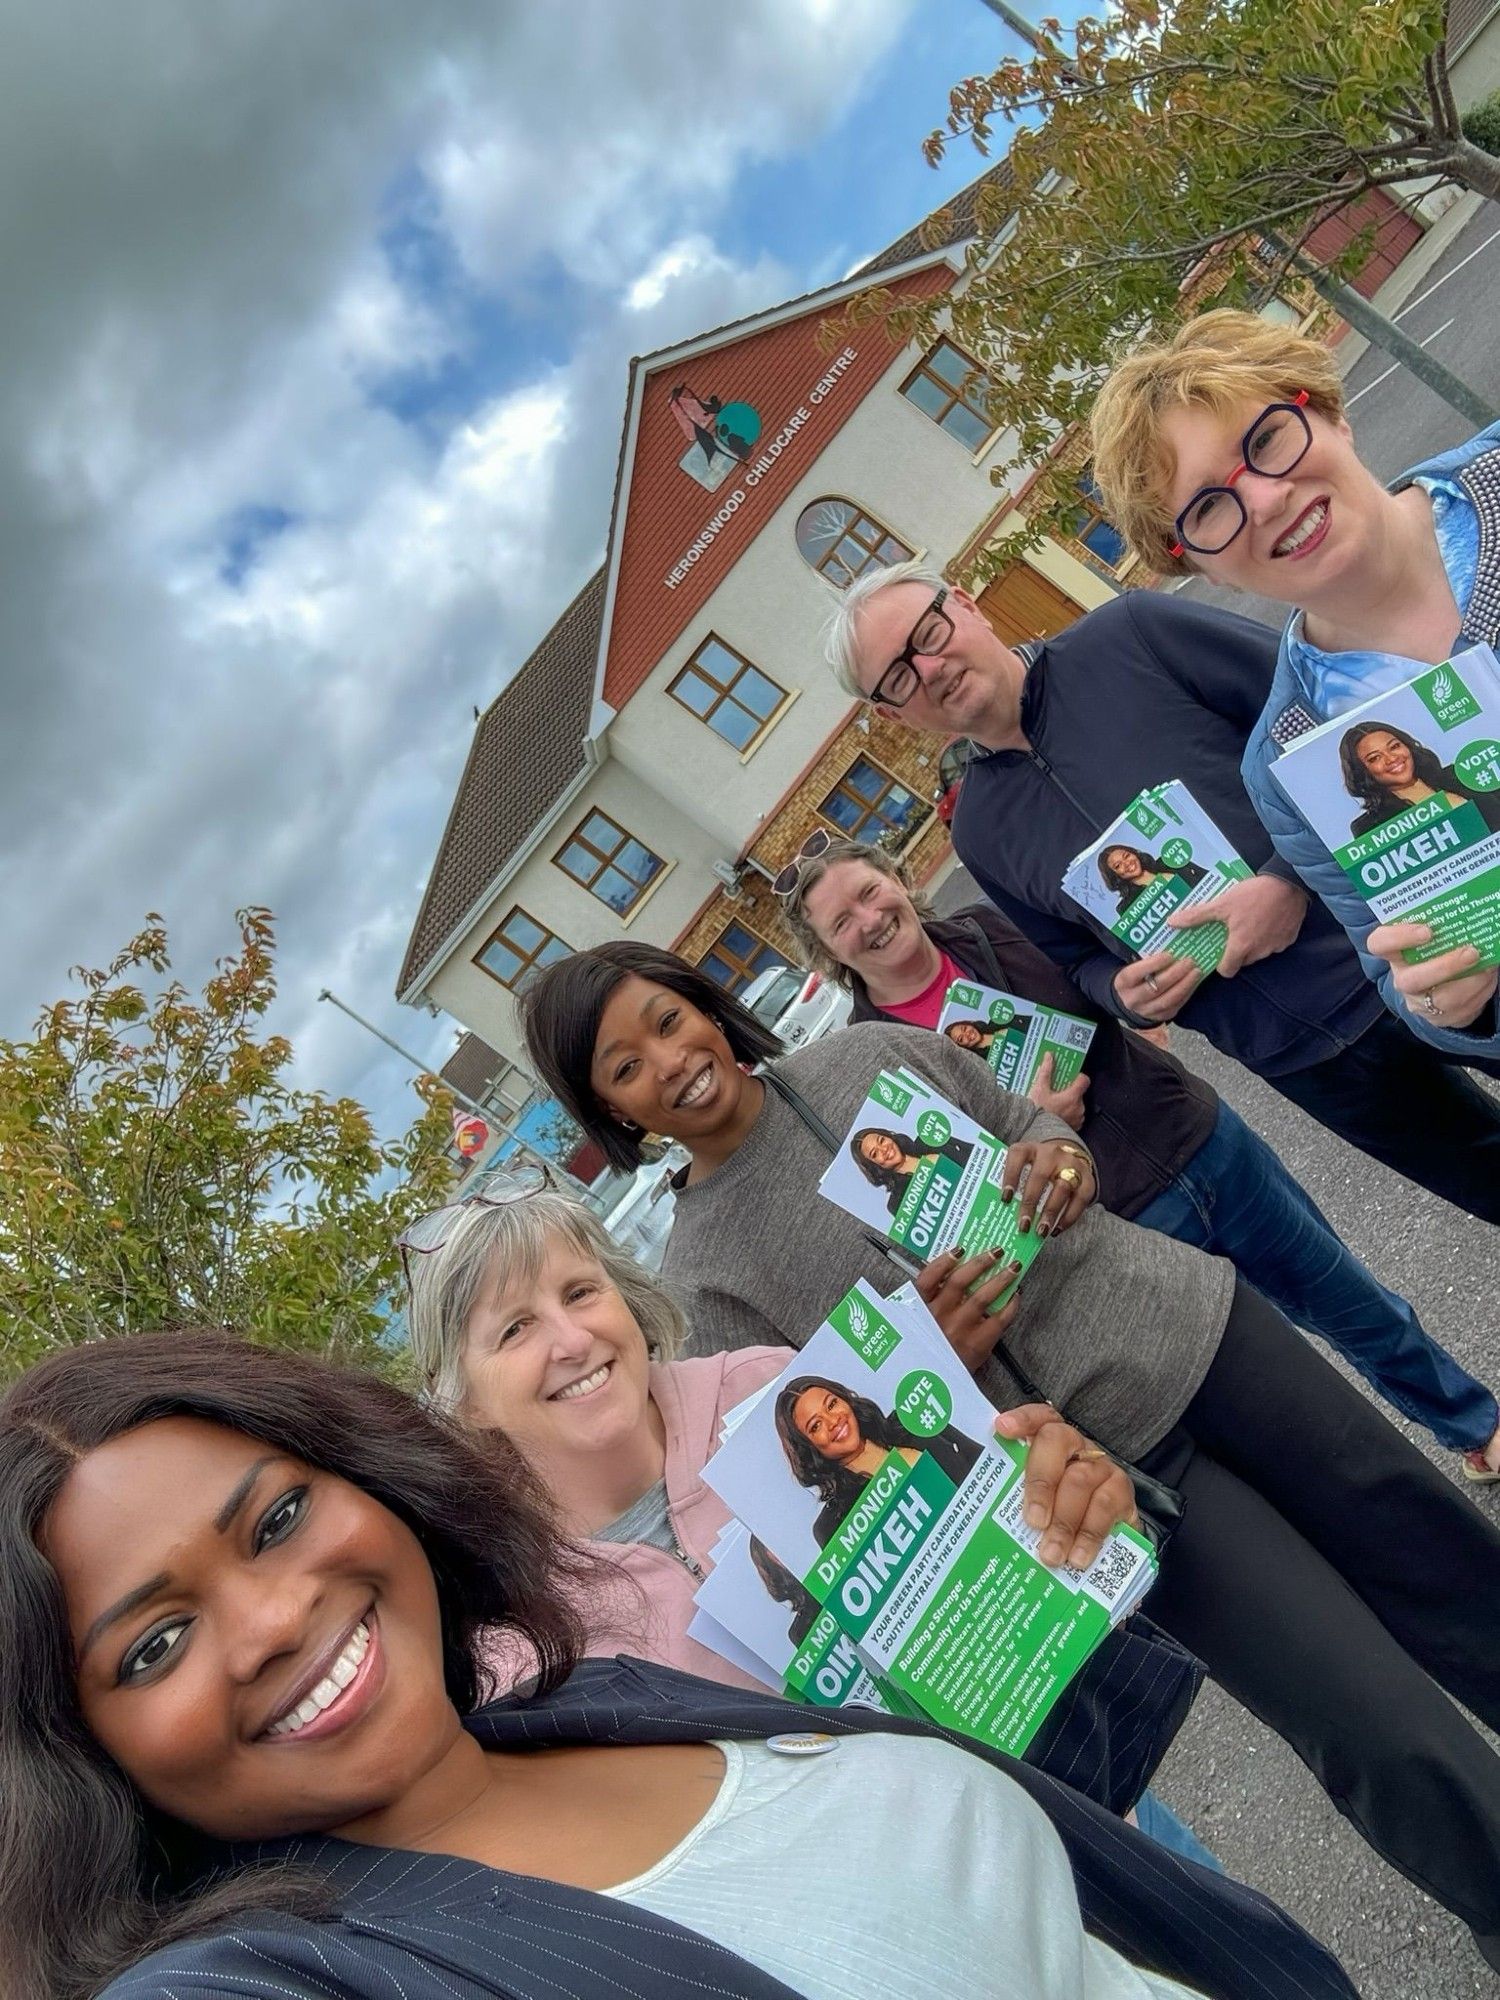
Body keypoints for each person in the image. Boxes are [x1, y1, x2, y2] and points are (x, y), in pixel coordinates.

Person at [520, 937, 1500, 1959]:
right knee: (1375, 1725)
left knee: (1442, 1557)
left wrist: (1058, 1158)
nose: (668, 1058)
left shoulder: (866, 1058)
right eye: (625, 1065)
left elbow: (1026, 1127)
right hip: (1103, 1485)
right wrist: (922, 1365)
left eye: (667, 1019)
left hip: (1196, 1331)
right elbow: (837, 1463)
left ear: (706, 1006)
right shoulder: (702, 1278)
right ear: (617, 1113)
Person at [3, 1332, 1354, 2000]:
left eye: (279, 1518)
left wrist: (1044, 1555)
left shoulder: (591, 1700)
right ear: (75, 1747)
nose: (273, 1619)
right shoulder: (265, 1979)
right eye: (156, 1642)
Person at [399, 1173, 1203, 1844]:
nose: (572, 1339)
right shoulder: (515, 1641)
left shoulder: (771, 1387)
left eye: (581, 1291)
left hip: (1085, 1801)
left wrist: (1070, 1513)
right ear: (462, 1404)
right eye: (513, 1330)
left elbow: (1033, 1572)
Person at [777, 833, 1500, 1479]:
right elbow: (942, 1194)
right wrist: (1033, 1129)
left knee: (1355, 1306)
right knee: (1280, 1383)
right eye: (842, 922)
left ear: (896, 880)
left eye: (869, 893)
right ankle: (1394, 1495)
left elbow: (1102, 979)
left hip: (1201, 1142)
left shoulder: (989, 929)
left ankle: (1474, 1425)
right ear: (828, 954)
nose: (870, 920)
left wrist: (1137, 1011)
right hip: (1123, 1228)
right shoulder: (876, 1061)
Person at [822, 554, 1500, 1226]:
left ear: (966, 605)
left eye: (928, 635)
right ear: (894, 716)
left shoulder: (1133, 634)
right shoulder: (979, 830)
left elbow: (1327, 721)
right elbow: (1074, 960)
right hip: (1302, 1055)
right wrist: (1122, 992)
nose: (930, 670)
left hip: (1408, 939)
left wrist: (1286, 878)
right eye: (900, 678)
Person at [1087, 305, 1500, 1070]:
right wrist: (1458, 1008)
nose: (1267, 499)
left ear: (1329, 415)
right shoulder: (1291, 762)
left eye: (1266, 440)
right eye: (1209, 507)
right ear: (1198, 565)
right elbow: (1410, 995)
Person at [775, 1374, 983, 1544]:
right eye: (815, 1426)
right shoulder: (833, 1528)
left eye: (831, 1404)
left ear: (845, 1400)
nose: (833, 1421)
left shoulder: (911, 1420)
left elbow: (985, 1462)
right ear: (808, 1449)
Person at [1338, 719, 1500, 836]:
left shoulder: (1461, 774)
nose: (1392, 759)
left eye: (1394, 746)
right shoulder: (1369, 828)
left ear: (1407, 746)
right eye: (1375, 758)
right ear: (1361, 772)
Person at [849, 1124, 974, 1213]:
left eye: (882, 1140)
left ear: (890, 1136)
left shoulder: (928, 1140)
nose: (884, 1149)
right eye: (875, 1154)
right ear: (874, 1167)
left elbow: (973, 1152)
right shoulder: (898, 1204)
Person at [1099, 845, 1207, 915]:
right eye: (1118, 866)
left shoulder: (1168, 860)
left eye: (1127, 856)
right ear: (1114, 876)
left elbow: (1207, 876)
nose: (1127, 863)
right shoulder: (1127, 907)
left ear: (1135, 853)